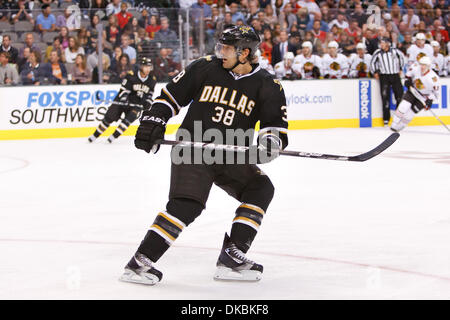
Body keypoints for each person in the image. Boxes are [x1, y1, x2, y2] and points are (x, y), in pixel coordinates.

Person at [120, 25, 288, 285]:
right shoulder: (205, 67)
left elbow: (274, 128)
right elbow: (169, 98)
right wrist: (153, 120)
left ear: (245, 53)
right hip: (193, 148)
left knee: (260, 187)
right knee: (187, 204)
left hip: (231, 152)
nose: (220, 53)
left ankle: (233, 255)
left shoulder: (269, 85)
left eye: (227, 49)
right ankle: (140, 263)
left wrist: (270, 143)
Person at [88, 56, 156, 144]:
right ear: (141, 66)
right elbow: (124, 90)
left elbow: (150, 94)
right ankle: (94, 137)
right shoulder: (131, 75)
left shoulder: (152, 80)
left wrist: (147, 103)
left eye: (149, 67)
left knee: (128, 120)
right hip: (122, 101)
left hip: (136, 105)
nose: (147, 69)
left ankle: (111, 139)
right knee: (109, 118)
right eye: (146, 66)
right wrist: (124, 99)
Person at [391, 56, 440, 132]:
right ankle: (394, 124)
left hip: (423, 97)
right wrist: (407, 80)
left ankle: (401, 126)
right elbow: (408, 75)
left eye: (425, 65)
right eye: (421, 64)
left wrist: (430, 100)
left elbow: (436, 93)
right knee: (403, 106)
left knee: (410, 113)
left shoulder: (433, 78)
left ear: (429, 66)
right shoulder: (415, 67)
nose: (422, 67)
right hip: (413, 91)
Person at [370, 38, 406, 126]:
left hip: (395, 75)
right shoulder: (378, 52)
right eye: (380, 43)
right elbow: (372, 63)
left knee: (399, 96)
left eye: (383, 43)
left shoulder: (395, 51)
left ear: (388, 44)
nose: (381, 45)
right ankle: (386, 119)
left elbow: (402, 59)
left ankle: (399, 118)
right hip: (384, 76)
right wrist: (375, 72)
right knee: (385, 97)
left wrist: (400, 68)